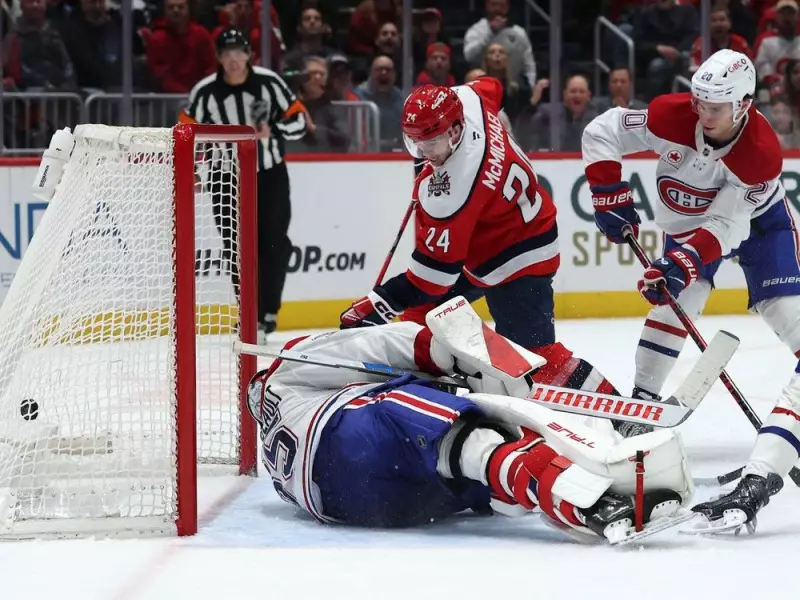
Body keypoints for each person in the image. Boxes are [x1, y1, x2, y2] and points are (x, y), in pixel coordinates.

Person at [581, 49, 796, 531]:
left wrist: (684, 258)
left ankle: (783, 444)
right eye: (699, 101)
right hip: (691, 224)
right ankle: (642, 402)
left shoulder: (760, 155)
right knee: (671, 306)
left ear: (743, 104)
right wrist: (607, 193)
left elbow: (727, 224)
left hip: (759, 228)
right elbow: (602, 130)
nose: (702, 112)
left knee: (794, 326)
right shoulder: (670, 114)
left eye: (714, 106)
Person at [340, 78, 628, 421]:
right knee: (421, 321)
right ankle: (430, 408)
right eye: (415, 143)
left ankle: (621, 412)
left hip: (521, 255)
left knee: (534, 357)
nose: (424, 153)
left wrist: (380, 302)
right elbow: (493, 84)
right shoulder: (468, 99)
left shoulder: (457, 188)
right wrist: (431, 154)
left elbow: (433, 278)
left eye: (430, 142)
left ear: (456, 130)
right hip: (499, 235)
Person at [248, 320, 692, 542]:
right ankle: (586, 487)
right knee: (469, 434)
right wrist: (445, 353)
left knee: (483, 462)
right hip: (346, 443)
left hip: (363, 506)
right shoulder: (287, 366)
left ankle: (593, 502)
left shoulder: (275, 442)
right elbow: (371, 344)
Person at [180, 28, 307, 338]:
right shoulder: (205, 91)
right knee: (236, 247)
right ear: (219, 58)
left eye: (239, 52)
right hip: (225, 176)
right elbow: (186, 133)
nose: (234, 60)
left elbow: (300, 121)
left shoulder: (269, 82)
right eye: (226, 54)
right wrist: (193, 168)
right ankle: (249, 313)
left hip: (270, 173)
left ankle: (267, 312)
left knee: (274, 243)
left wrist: (273, 129)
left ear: (249, 54)